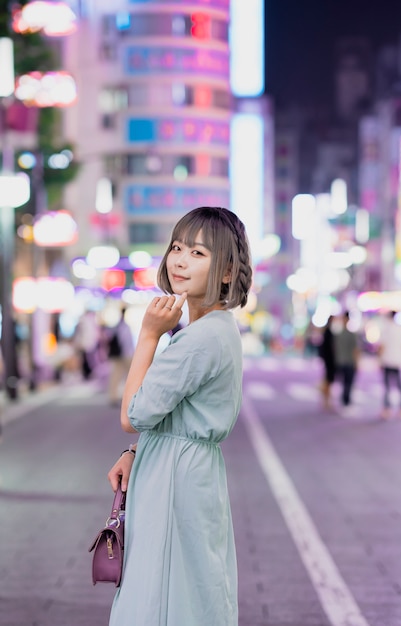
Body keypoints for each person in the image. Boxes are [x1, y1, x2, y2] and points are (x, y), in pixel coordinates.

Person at [107, 206, 252, 626]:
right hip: (183, 469)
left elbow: (133, 413)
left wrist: (149, 334)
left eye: (198, 253)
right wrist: (137, 450)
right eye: (177, 247)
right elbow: (168, 412)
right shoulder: (213, 329)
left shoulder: (200, 338)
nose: (180, 260)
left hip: (174, 477)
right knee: (190, 584)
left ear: (227, 272)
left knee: (162, 591)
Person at [378, 310, 401, 419]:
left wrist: (379, 360)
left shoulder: (386, 328)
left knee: (387, 386)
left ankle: (387, 409)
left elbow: (382, 346)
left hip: (387, 360)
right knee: (400, 385)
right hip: (398, 361)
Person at [107, 307, 135, 406]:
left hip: (120, 354)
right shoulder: (123, 326)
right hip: (125, 354)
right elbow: (126, 342)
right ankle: (129, 396)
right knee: (130, 376)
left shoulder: (117, 326)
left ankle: (115, 396)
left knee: (117, 375)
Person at [333, 310, 360, 410]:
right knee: (347, 382)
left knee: (345, 382)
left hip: (342, 361)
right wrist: (357, 363)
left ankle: (345, 399)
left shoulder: (339, 334)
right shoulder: (347, 334)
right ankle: (346, 400)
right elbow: (355, 350)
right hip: (347, 362)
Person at [318, 315, 336, 410]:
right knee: (328, 381)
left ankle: (326, 401)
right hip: (330, 361)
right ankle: (326, 401)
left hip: (328, 360)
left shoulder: (326, 332)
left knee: (328, 380)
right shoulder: (328, 333)